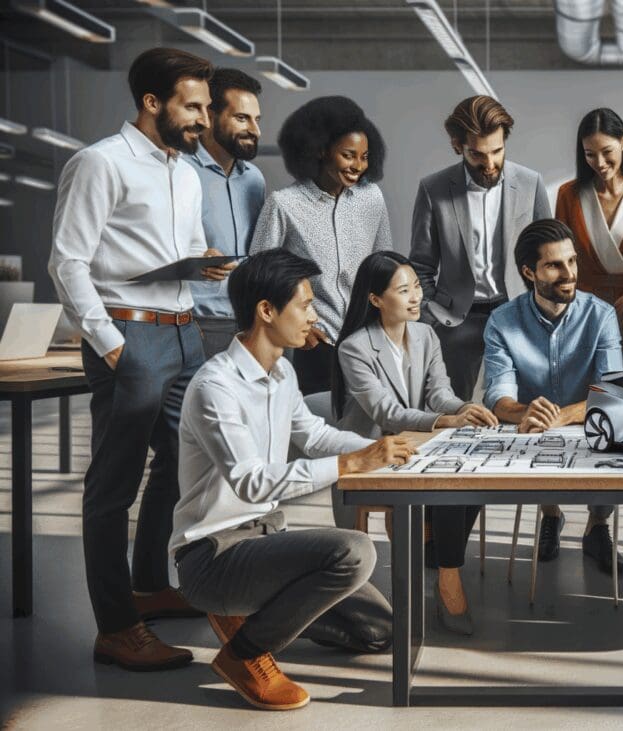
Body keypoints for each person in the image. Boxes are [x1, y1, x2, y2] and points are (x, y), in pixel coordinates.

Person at [47, 47, 235, 671]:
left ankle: (150, 584)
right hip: (130, 335)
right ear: (152, 102)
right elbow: (67, 262)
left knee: (187, 460)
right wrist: (110, 345)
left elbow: (177, 253)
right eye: (193, 106)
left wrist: (202, 264)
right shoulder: (99, 163)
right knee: (113, 484)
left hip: (184, 333)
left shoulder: (186, 171)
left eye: (206, 107)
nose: (204, 119)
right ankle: (116, 627)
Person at [172, 249, 416, 711]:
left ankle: (249, 616)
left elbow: (314, 435)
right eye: (305, 305)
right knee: (355, 552)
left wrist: (383, 450)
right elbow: (253, 483)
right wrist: (352, 465)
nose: (314, 316)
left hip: (265, 540)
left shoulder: (282, 371)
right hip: (214, 555)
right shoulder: (214, 387)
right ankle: (244, 653)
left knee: (381, 630)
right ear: (267, 310)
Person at [333, 250, 499, 635]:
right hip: (372, 453)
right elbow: (386, 412)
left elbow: (439, 392)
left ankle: (441, 563)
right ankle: (447, 576)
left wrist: (465, 408)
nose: (416, 297)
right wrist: (444, 421)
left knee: (475, 474)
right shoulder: (354, 347)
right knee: (446, 485)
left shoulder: (425, 334)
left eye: (417, 287)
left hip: (414, 446)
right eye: (403, 290)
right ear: (375, 299)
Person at [482, 219, 623, 576]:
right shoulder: (502, 321)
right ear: (529, 272)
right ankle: (550, 514)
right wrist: (525, 413)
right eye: (554, 265)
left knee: (615, 434)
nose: (569, 274)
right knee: (530, 433)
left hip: (588, 423)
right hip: (534, 431)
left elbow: (610, 394)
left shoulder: (601, 315)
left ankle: (597, 527)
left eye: (572, 261)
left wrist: (562, 416)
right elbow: (498, 396)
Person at [409, 95, 553, 401]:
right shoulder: (433, 189)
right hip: (456, 321)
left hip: (518, 316)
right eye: (477, 154)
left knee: (526, 407)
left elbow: (549, 256)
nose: (489, 164)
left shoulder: (531, 183)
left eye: (497, 151)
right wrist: (432, 317)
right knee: (452, 409)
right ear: (457, 145)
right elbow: (420, 266)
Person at [249, 95, 392, 395]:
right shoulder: (284, 204)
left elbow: (384, 266)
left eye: (364, 156)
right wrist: (297, 326)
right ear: (320, 150)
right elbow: (259, 276)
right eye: (348, 155)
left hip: (368, 341)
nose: (358, 166)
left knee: (374, 419)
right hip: (316, 342)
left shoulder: (372, 198)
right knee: (320, 420)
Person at [554, 107, 623, 371]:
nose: (599, 163)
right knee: (585, 383)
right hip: (582, 307)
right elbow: (559, 258)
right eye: (590, 154)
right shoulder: (568, 195)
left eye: (606, 151)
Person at [184, 67, 267, 358]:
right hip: (197, 320)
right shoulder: (180, 170)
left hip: (248, 321)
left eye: (257, 119)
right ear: (209, 116)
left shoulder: (254, 179)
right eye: (242, 118)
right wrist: (194, 259)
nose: (255, 130)